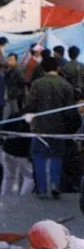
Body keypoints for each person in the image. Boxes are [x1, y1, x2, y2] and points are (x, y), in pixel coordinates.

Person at [26, 56, 80, 199]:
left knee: (39, 156)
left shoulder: (37, 84)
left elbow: (29, 106)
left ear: (43, 68)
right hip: (59, 128)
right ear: (57, 68)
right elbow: (70, 111)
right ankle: (55, 184)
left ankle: (42, 189)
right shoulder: (66, 85)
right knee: (57, 156)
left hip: (39, 128)